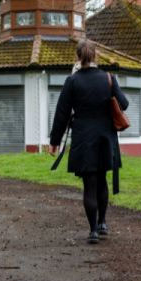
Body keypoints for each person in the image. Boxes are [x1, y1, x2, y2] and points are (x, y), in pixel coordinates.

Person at [49, 39, 129, 244]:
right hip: (105, 138)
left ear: (78, 57)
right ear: (95, 56)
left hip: (83, 138)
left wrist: (54, 142)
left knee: (89, 184)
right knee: (102, 181)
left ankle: (93, 230)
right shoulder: (108, 78)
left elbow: (62, 114)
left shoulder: (72, 81)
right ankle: (102, 222)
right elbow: (124, 104)